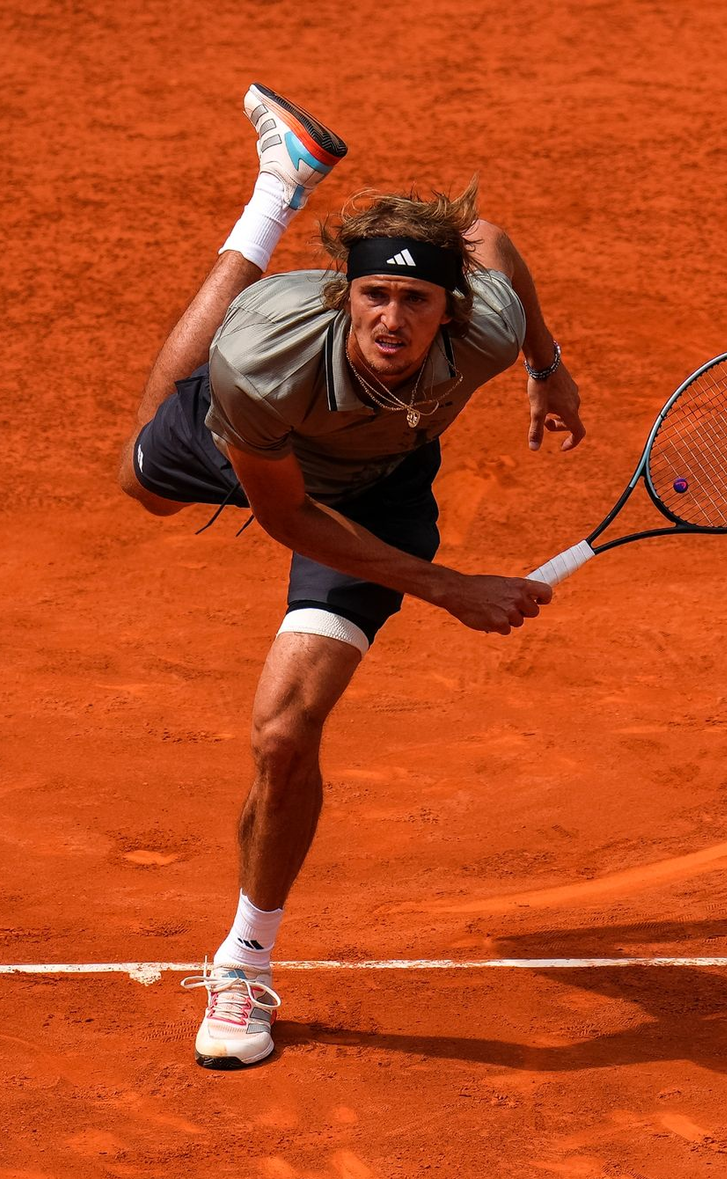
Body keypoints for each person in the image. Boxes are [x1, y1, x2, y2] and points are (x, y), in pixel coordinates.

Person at [117, 84, 584, 1069]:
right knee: (140, 476)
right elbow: (288, 517)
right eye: (374, 295)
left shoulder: (487, 326)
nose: (393, 319)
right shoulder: (264, 359)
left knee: (285, 734)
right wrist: (448, 585)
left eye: (416, 300)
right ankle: (276, 190)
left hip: (377, 491)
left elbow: (490, 239)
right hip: (263, 443)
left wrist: (547, 367)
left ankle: (243, 963)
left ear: (451, 308)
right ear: (346, 294)